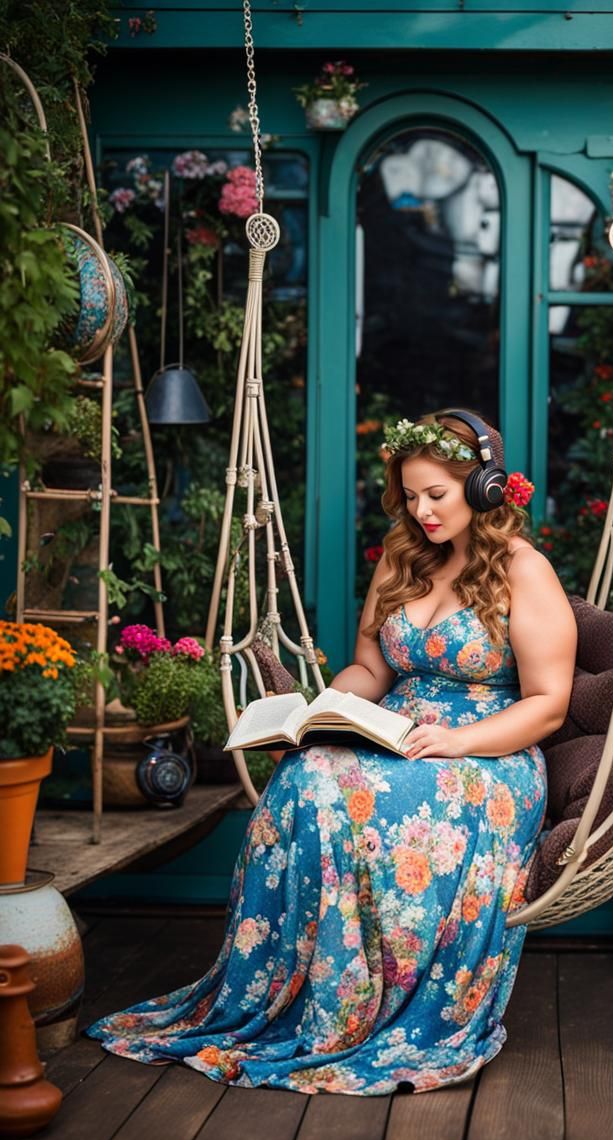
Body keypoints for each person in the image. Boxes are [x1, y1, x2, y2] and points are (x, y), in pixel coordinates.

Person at [85, 409, 576, 1094]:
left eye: (437, 494)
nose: (422, 510)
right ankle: (298, 997)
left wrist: (457, 741)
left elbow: (546, 703)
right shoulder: (403, 558)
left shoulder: (525, 571)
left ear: (485, 486)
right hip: (397, 736)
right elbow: (371, 670)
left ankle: (364, 1005)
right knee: (305, 774)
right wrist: (324, 710)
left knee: (332, 789)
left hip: (487, 758)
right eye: (409, 496)